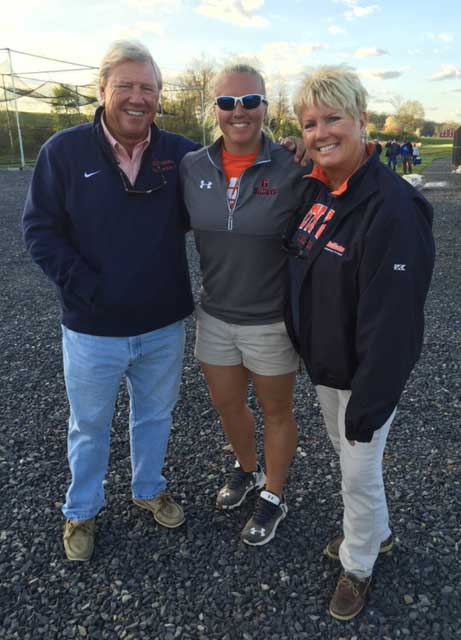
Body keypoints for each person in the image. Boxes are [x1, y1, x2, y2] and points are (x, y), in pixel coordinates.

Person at [22, 40, 200, 562]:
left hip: (162, 324)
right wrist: (87, 287)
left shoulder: (182, 155)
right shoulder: (64, 151)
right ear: (102, 91)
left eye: (147, 87)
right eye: (125, 85)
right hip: (91, 327)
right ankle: (81, 510)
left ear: (159, 96)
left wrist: (291, 156)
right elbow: (39, 230)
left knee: (155, 416)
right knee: (89, 424)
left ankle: (149, 489)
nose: (137, 97)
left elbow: (238, 169)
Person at [284, 66, 435, 620]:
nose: (321, 132)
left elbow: (394, 322)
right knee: (355, 468)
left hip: (363, 375)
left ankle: (359, 563)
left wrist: (371, 403)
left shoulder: (392, 209)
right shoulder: (319, 190)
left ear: (362, 121)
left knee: (358, 471)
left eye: (333, 119)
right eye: (310, 122)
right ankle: (378, 534)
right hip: (328, 365)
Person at [180, 64, 311, 546]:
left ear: (265, 108)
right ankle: (247, 469)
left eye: (250, 101)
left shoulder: (293, 165)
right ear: (213, 109)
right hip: (214, 315)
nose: (239, 112)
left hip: (270, 320)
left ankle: (273, 494)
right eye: (227, 102)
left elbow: (346, 175)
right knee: (227, 403)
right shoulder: (191, 166)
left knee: (277, 411)